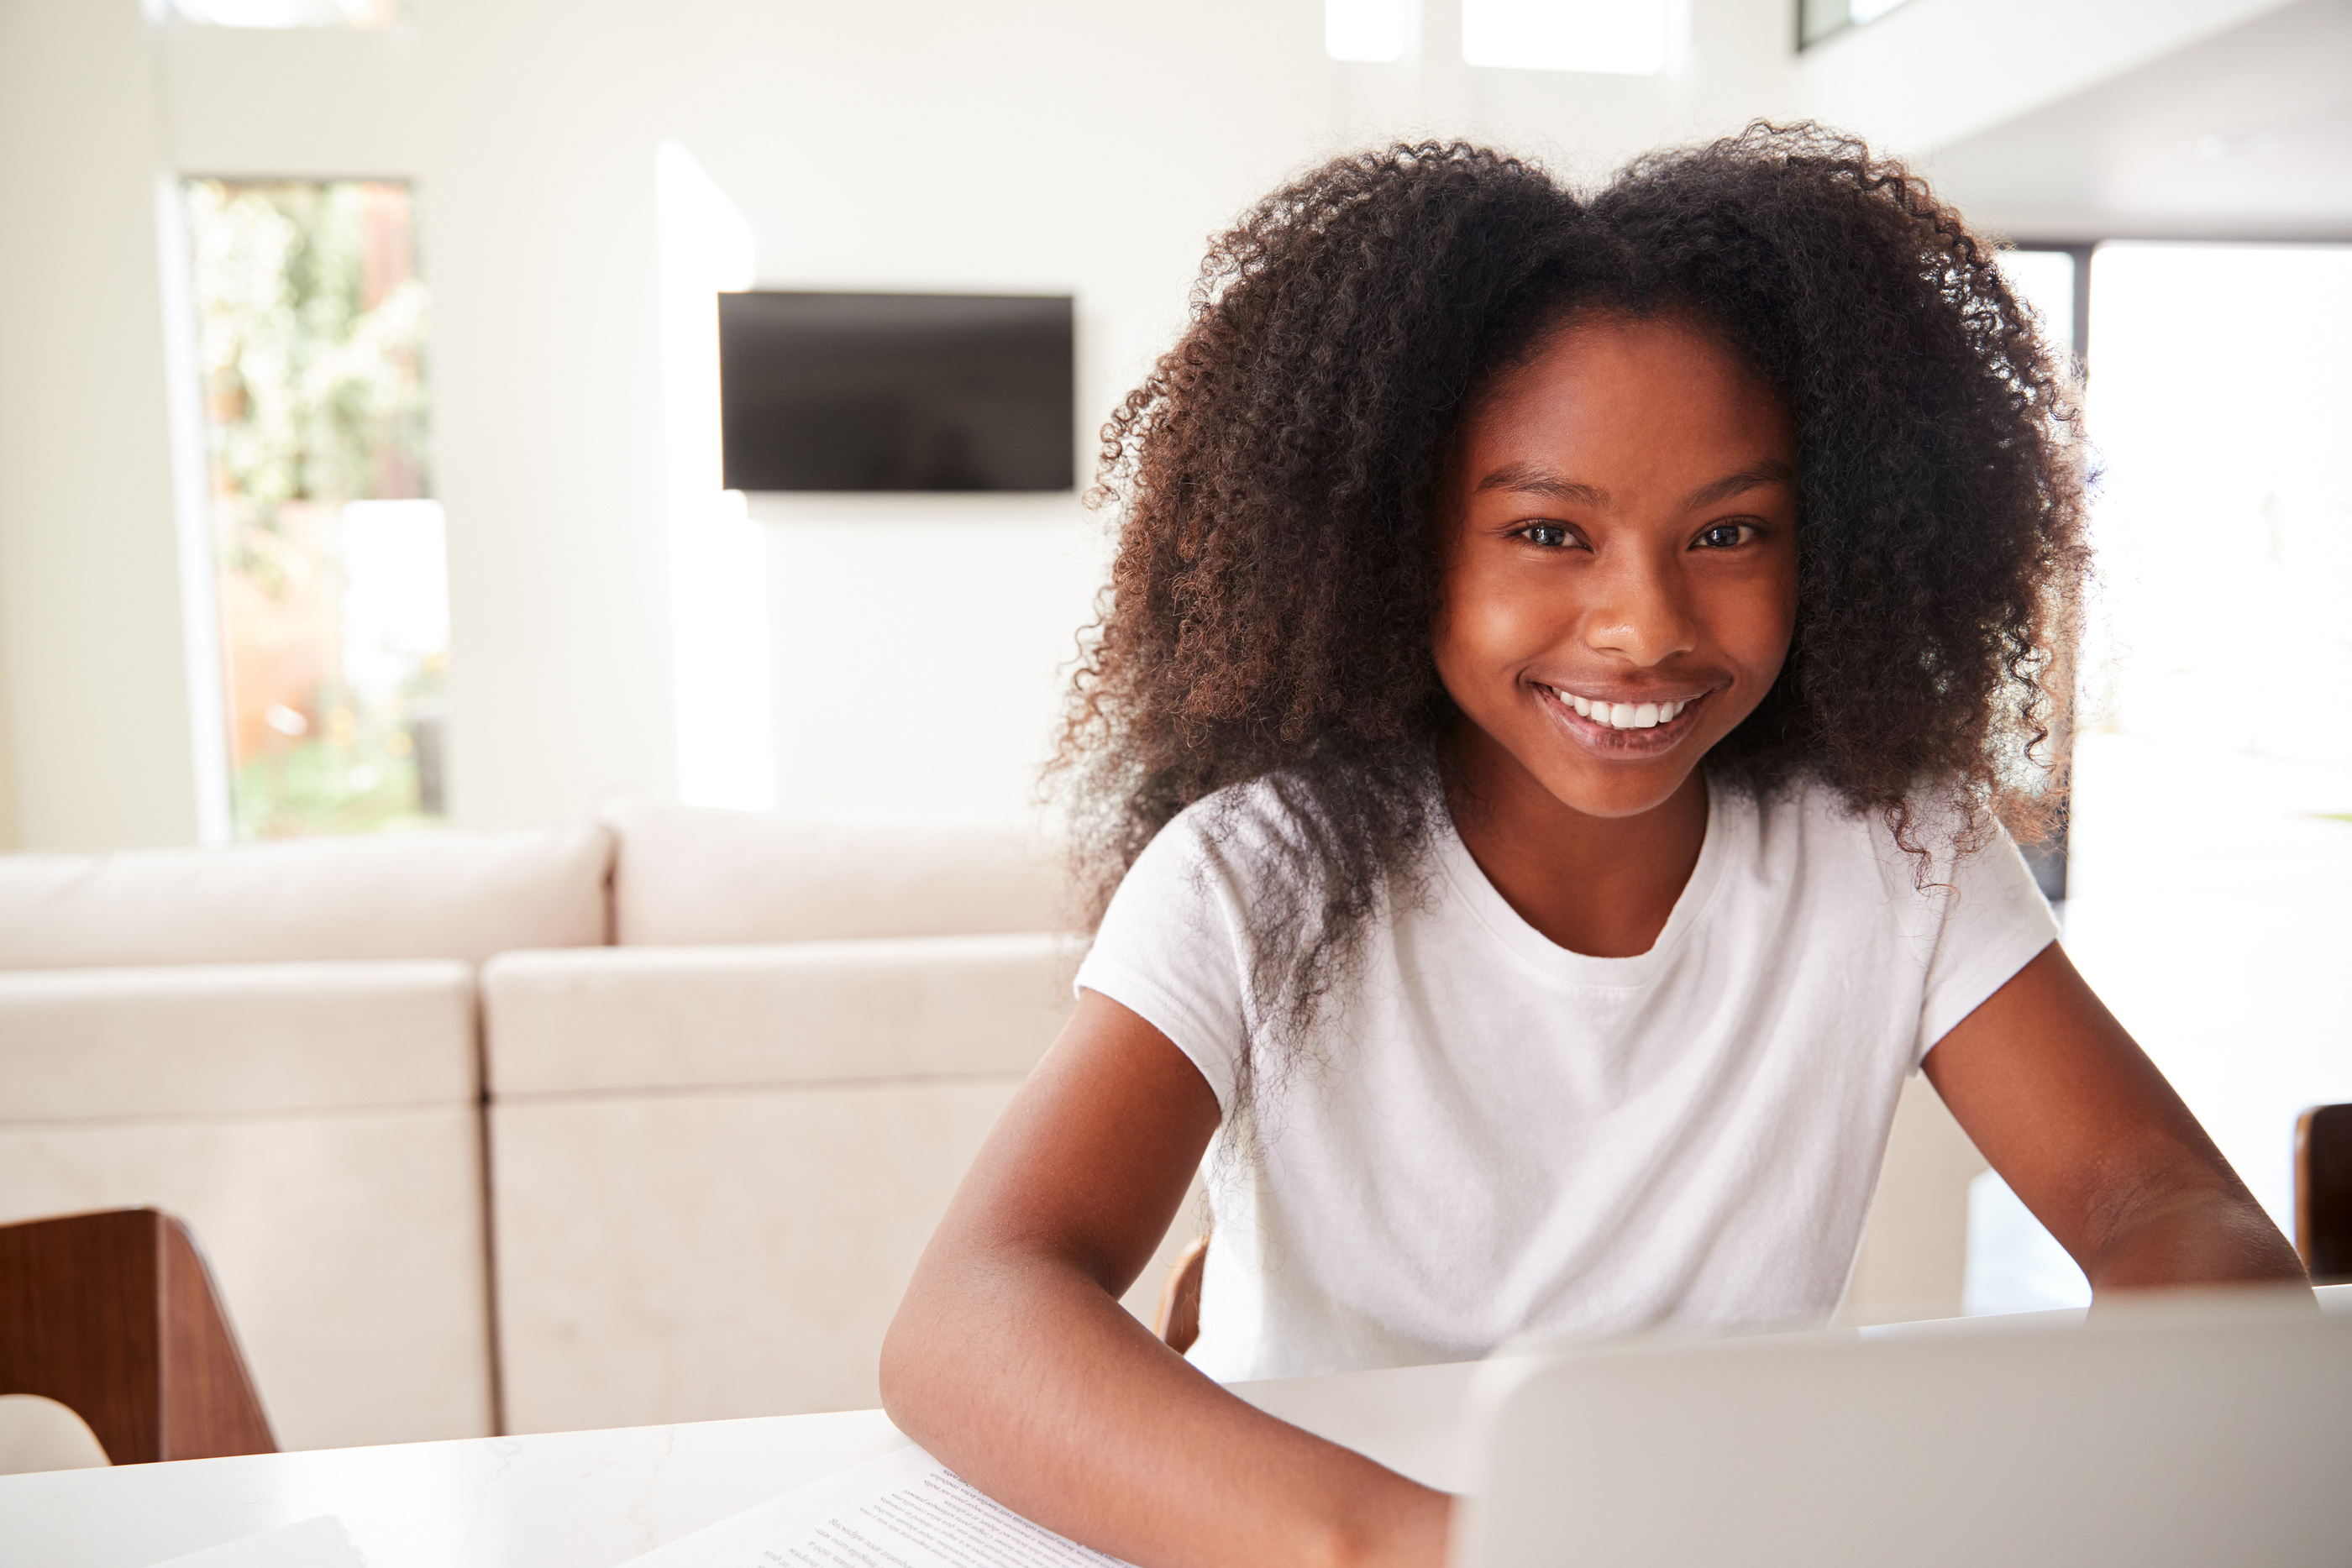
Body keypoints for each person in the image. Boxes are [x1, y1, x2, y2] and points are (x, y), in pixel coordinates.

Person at [879, 124, 2310, 1568]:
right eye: (1552, 534)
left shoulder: (1894, 852)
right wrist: (1460, 1550)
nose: (1645, 628)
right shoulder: (1259, 874)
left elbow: (2171, 1204)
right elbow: (969, 1317)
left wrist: (2123, 1453)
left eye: (1732, 533)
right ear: (1397, 545)